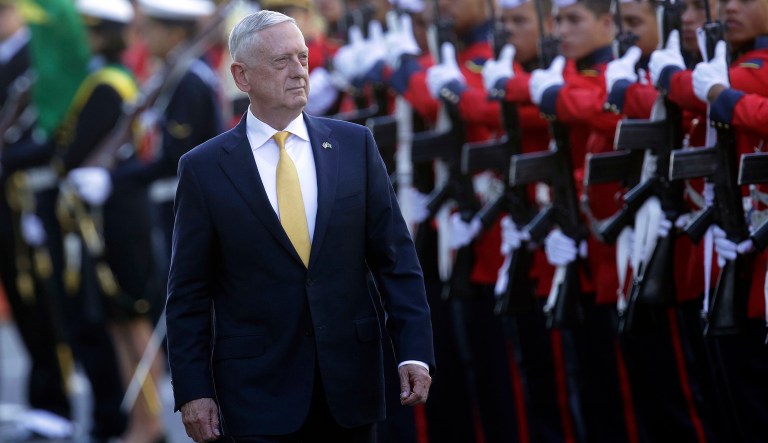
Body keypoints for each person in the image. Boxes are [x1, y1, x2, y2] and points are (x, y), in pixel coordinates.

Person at [165, 10, 435, 442]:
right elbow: (188, 294)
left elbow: (396, 260)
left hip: (350, 387)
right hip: (255, 393)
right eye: (281, 62)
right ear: (242, 76)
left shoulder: (353, 145)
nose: (299, 73)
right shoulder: (204, 168)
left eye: (303, 58)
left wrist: (415, 353)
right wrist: (193, 391)